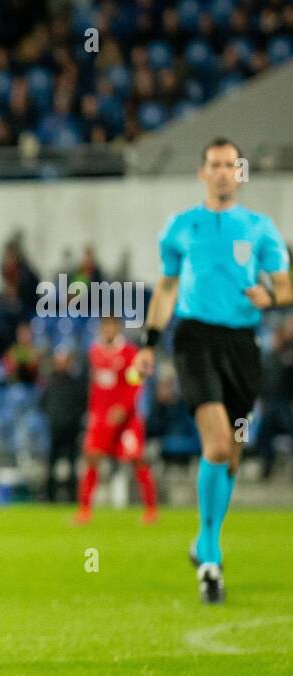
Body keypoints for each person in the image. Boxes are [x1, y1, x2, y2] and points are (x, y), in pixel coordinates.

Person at [134, 137, 293, 602]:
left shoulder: (260, 229)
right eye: (214, 165)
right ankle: (209, 558)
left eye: (230, 165)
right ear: (202, 172)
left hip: (243, 345)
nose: (223, 172)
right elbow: (165, 289)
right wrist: (149, 343)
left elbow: (286, 286)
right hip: (194, 340)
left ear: (240, 173)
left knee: (234, 454)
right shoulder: (181, 228)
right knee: (218, 445)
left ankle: (206, 539)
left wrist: (273, 297)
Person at [75, 316, 157, 525]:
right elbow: (94, 387)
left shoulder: (129, 353)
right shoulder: (94, 352)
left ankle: (150, 510)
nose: (109, 330)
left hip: (126, 418)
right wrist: (93, 412)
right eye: (105, 326)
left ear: (117, 328)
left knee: (137, 458)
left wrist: (123, 407)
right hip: (102, 417)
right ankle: (84, 510)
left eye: (112, 325)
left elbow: (136, 384)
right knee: (92, 457)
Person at [38, 348, 86, 502]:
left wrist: (73, 419)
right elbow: (43, 404)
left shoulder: (76, 384)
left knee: (73, 466)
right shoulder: (50, 383)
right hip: (55, 429)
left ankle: (73, 498)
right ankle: (50, 497)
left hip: (72, 430)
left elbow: (83, 404)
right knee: (51, 465)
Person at [253, 315, 293, 479]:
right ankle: (266, 466)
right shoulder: (269, 358)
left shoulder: (288, 355)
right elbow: (262, 384)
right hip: (270, 403)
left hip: (286, 403)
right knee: (263, 433)